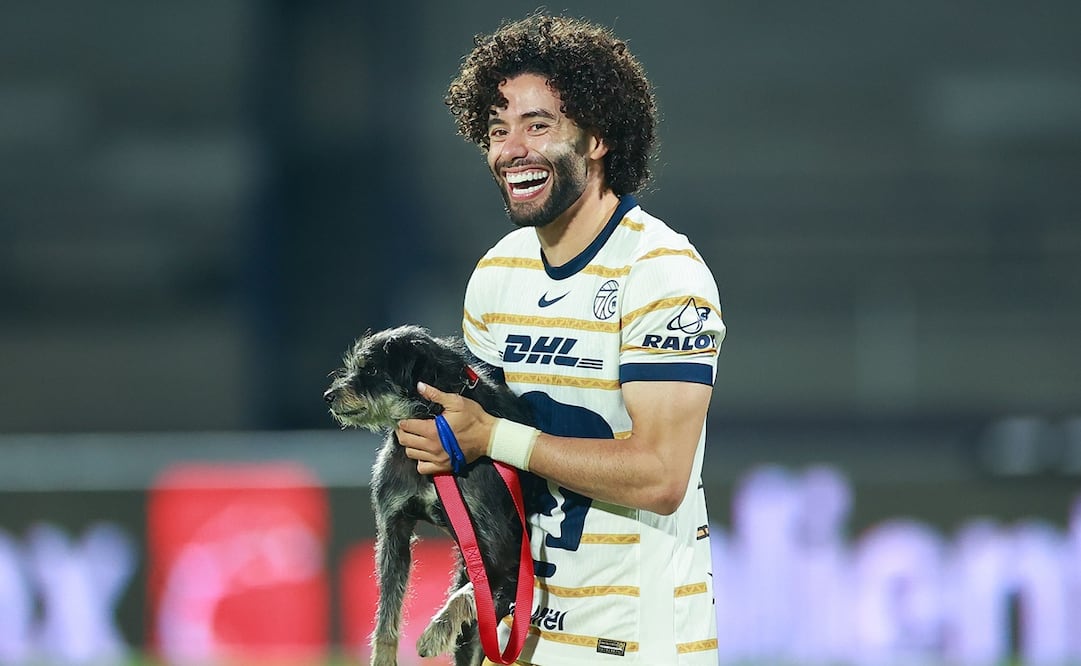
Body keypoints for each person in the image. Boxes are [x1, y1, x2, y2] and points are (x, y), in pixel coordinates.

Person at [396, 13, 725, 665]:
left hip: (640, 647)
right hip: (529, 643)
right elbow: (492, 472)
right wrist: (446, 448)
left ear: (597, 137)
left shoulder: (660, 272)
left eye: (536, 125)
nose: (511, 148)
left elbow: (660, 474)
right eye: (497, 130)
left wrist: (491, 436)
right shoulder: (499, 275)